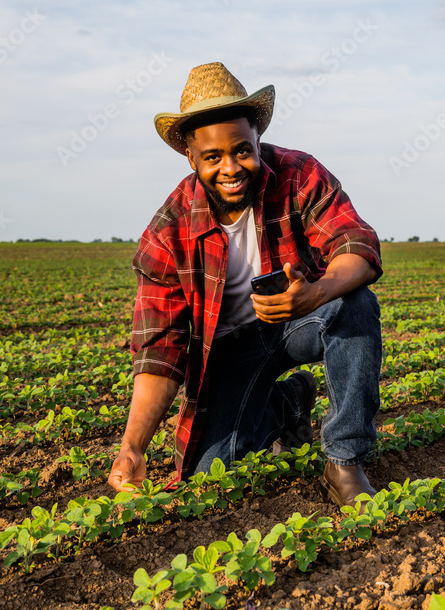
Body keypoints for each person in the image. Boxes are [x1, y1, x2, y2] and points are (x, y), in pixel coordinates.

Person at [106, 62, 384, 507]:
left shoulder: (298, 174)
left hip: (299, 319)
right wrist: (133, 446)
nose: (231, 167)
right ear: (191, 157)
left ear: (257, 138)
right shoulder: (167, 232)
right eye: (213, 157)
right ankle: (290, 402)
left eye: (242, 150)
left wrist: (316, 291)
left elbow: (355, 241)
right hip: (230, 351)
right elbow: (160, 348)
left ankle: (345, 462)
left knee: (354, 303)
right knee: (212, 472)